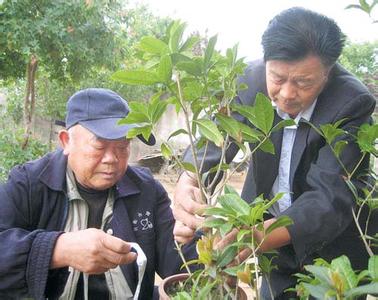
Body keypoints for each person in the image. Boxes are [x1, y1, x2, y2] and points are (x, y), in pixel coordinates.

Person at [172, 7, 377, 299]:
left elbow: (329, 197)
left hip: (333, 250)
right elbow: (214, 143)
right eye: (278, 78)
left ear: (327, 73)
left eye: (304, 82)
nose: (287, 94)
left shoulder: (351, 102)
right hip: (271, 247)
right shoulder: (249, 81)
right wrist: (188, 180)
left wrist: (258, 236)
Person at [0, 88, 196, 299]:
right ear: (66, 141)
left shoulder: (146, 189)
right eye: (99, 146)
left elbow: (177, 260)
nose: (112, 158)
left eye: (122, 146)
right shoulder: (29, 184)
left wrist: (215, 252)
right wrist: (58, 249)